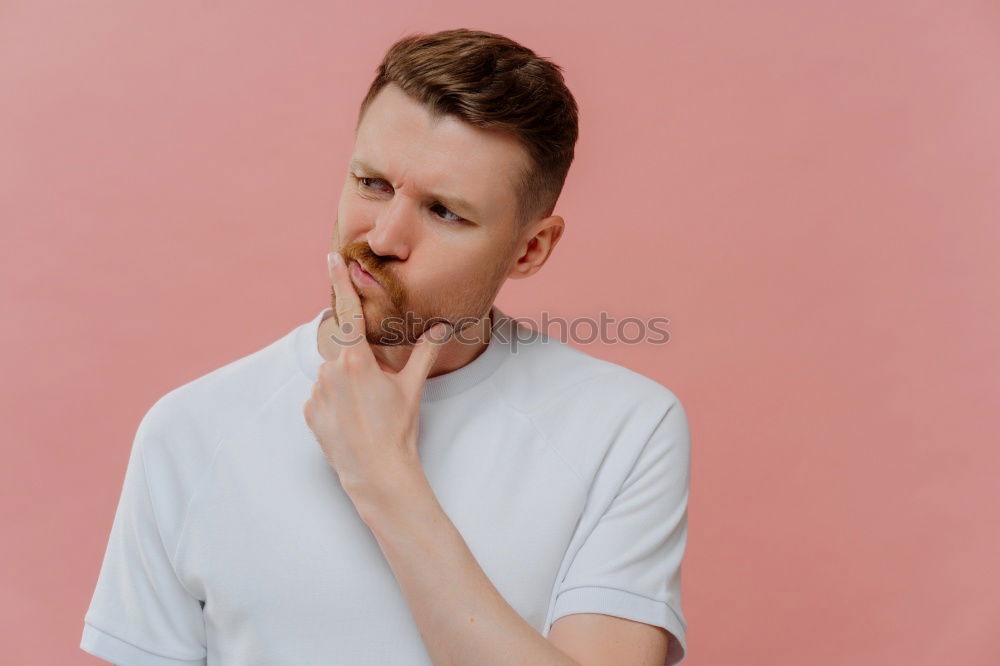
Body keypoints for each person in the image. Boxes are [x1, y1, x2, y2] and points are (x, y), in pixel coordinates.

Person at [81, 28, 691, 666]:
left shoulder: (626, 428)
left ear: (531, 248)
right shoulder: (188, 431)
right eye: (371, 183)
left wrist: (385, 477)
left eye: (445, 212)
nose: (384, 237)